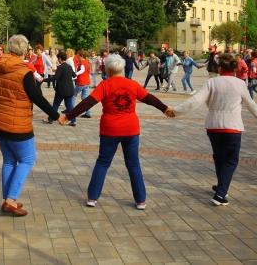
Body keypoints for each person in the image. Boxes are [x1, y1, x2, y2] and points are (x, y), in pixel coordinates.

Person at [59, 53, 173, 210]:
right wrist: (165, 108)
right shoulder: (132, 84)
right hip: (131, 130)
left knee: (103, 162)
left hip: (110, 130)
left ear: (108, 70)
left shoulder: (105, 85)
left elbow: (87, 103)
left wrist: (68, 116)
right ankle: (141, 201)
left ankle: (92, 198)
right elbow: (150, 98)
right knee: (133, 164)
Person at [0, 35, 61, 216]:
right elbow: (37, 97)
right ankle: (10, 200)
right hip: (18, 125)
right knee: (27, 159)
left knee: (9, 160)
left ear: (9, 49)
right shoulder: (24, 72)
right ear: (25, 51)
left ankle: (9, 198)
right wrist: (56, 116)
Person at [173, 53, 257, 206]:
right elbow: (250, 103)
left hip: (214, 125)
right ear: (235, 68)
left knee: (219, 157)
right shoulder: (239, 84)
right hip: (233, 126)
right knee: (230, 160)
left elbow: (196, 100)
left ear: (219, 67)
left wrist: (176, 111)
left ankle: (220, 186)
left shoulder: (212, 82)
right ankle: (220, 194)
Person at [42, 51, 76, 124]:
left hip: (61, 90)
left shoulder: (60, 67)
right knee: (69, 105)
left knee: (55, 105)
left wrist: (44, 80)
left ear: (60, 59)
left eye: (58, 59)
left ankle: (50, 119)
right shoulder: (69, 67)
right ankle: (73, 120)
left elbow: (55, 77)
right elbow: (74, 75)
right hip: (70, 90)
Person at [71, 50, 92, 125]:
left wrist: (75, 74)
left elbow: (82, 70)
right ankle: (88, 113)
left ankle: (71, 109)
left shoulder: (83, 62)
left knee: (73, 95)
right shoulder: (86, 62)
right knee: (85, 98)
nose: (77, 56)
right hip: (86, 82)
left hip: (81, 82)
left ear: (81, 56)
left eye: (78, 55)